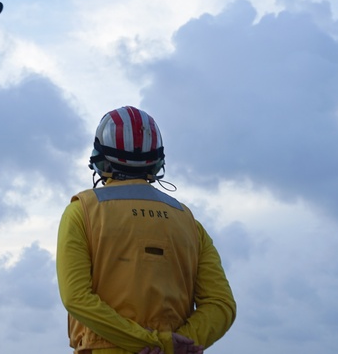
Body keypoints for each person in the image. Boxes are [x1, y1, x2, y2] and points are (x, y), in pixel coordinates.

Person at [56, 106, 236, 354]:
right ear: (157, 161)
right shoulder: (189, 223)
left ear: (99, 158)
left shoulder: (82, 212)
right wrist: (177, 344)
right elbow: (221, 304)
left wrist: (147, 342)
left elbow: (75, 298)